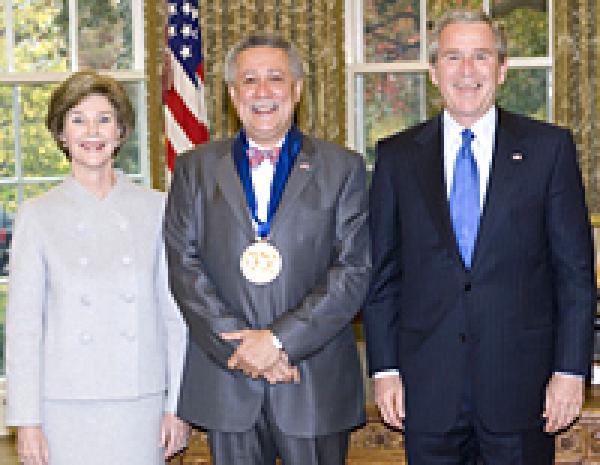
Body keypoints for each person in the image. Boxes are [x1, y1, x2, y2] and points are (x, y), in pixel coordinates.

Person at [363, 9, 596, 465]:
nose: (466, 71)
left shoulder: (550, 150)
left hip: (523, 394)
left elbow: (575, 275)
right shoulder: (396, 157)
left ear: (502, 68)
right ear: (433, 72)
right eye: (453, 57)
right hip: (426, 394)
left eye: (480, 57)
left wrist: (570, 370)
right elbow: (382, 277)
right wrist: (385, 369)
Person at [164, 34, 370, 465]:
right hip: (228, 380)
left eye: (275, 79)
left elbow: (352, 269)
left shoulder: (343, 168)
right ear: (233, 94)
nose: (262, 92)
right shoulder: (194, 168)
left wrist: (278, 342)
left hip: (311, 382)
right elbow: (184, 267)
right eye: (249, 80)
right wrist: (245, 353)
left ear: (296, 90)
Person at [6, 71, 189, 465]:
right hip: (62, 408)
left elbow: (174, 316)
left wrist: (177, 403)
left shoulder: (157, 209)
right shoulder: (37, 216)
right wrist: (26, 421)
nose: (92, 131)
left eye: (104, 119)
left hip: (141, 405)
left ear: (121, 131)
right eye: (78, 119)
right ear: (61, 133)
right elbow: (24, 327)